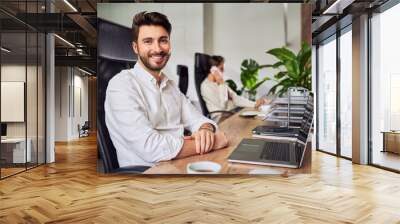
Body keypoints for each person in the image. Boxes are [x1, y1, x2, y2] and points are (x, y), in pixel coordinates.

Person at [105, 12, 228, 167]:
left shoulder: (170, 86)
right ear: (135, 47)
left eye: (163, 40)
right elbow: (151, 148)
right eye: (148, 41)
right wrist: (214, 142)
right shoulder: (121, 86)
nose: (157, 49)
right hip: (148, 176)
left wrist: (206, 131)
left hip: (181, 164)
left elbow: (199, 119)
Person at [200, 55, 267, 122]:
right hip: (220, 117)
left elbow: (235, 98)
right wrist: (221, 85)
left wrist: (254, 104)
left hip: (231, 113)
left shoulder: (221, 84)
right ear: (213, 70)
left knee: (256, 117)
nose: (223, 71)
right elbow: (222, 107)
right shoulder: (206, 86)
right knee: (248, 122)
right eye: (221, 69)